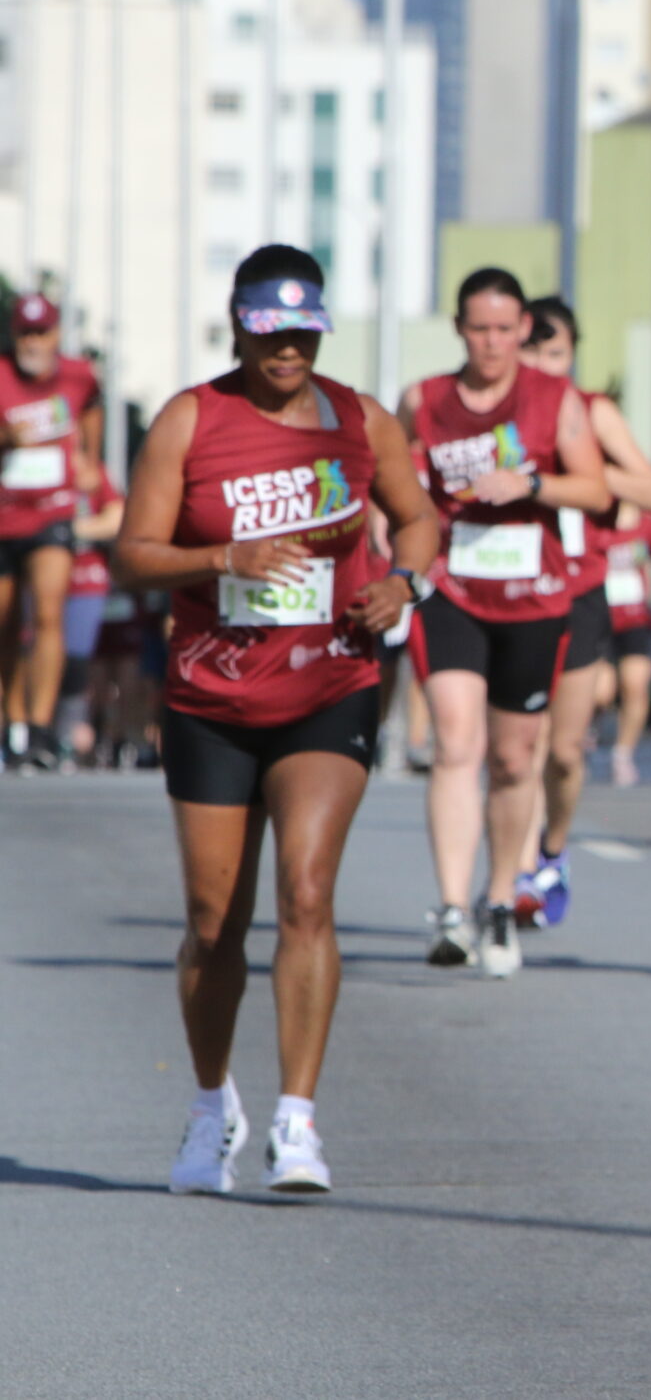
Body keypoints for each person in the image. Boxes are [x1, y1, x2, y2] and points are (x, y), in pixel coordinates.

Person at [118, 246, 440, 1194]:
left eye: (304, 333)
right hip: (212, 694)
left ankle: (297, 1122)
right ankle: (212, 1104)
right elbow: (134, 552)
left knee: (307, 892)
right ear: (239, 326)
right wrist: (224, 557)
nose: (288, 351)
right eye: (271, 333)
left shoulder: (360, 418)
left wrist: (403, 584)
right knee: (215, 922)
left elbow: (419, 519)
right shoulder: (192, 418)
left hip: (328, 681)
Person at [401, 269, 612, 977]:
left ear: (524, 329)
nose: (492, 343)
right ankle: (452, 909)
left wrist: (532, 483)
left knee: (515, 757)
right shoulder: (424, 400)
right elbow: (397, 483)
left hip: (534, 595)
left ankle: (499, 900)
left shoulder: (556, 401)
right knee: (457, 742)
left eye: (505, 329)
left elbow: (597, 488)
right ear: (459, 328)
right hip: (453, 589)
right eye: (478, 328)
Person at [515, 297, 651, 926]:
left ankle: (554, 849)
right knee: (520, 745)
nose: (543, 365)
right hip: (513, 593)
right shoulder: (501, 414)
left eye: (556, 353)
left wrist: (587, 472)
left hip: (579, 592)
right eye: (533, 350)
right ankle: (519, 873)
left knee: (564, 750)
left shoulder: (591, 412)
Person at [0, 293, 104, 771]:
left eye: (42, 333)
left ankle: (40, 729)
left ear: (57, 334)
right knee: (5, 625)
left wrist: (90, 457)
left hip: (52, 513)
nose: (33, 342)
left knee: (47, 614)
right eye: (25, 332)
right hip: (4, 515)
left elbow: (92, 409)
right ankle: (11, 724)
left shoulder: (78, 375)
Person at [599, 504, 651, 788]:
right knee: (601, 693)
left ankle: (623, 754)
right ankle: (588, 733)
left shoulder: (648, 525)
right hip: (599, 616)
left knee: (636, 684)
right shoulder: (596, 520)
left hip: (636, 617)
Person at [61, 468, 122, 764]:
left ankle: (72, 735)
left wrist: (61, 530)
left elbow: (116, 518)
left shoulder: (93, 472)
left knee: (79, 660)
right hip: (30, 582)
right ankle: (26, 734)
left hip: (87, 582)